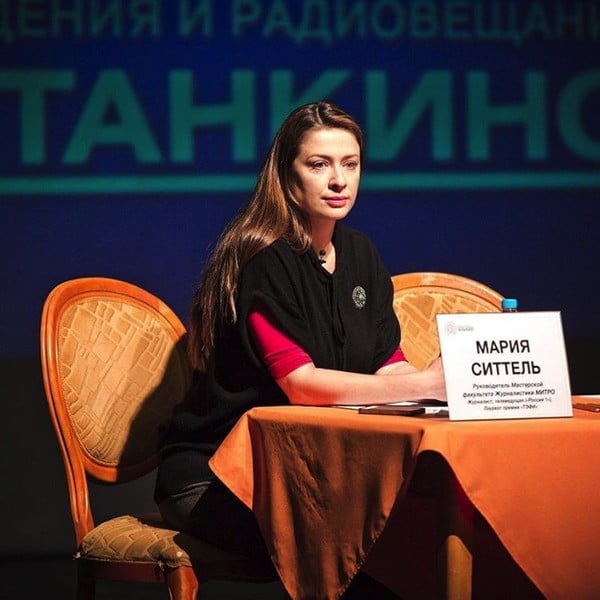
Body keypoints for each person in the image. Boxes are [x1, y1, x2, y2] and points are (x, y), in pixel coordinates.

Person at [154, 101, 446, 596]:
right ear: (286, 177)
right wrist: (426, 384)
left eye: (350, 164)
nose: (338, 180)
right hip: (218, 478)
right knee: (361, 540)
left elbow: (389, 365)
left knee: (418, 522)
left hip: (307, 473)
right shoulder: (262, 257)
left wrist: (453, 382)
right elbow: (301, 385)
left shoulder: (360, 254)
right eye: (319, 164)